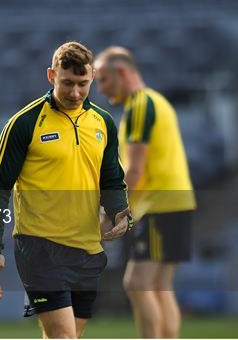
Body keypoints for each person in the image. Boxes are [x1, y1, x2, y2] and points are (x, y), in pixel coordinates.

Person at [0, 42, 132, 339]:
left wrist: (120, 213)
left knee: (67, 337)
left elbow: (112, 180)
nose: (75, 93)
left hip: (88, 250)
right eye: (67, 83)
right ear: (51, 75)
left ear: (92, 76)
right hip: (40, 248)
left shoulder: (103, 123)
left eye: (83, 84)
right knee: (63, 336)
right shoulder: (23, 124)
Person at [94, 46, 197, 338]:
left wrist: (107, 209)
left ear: (123, 73)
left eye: (103, 79)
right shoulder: (156, 102)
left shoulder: (140, 105)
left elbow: (135, 171)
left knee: (137, 284)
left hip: (159, 205)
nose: (100, 88)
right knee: (159, 286)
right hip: (176, 203)